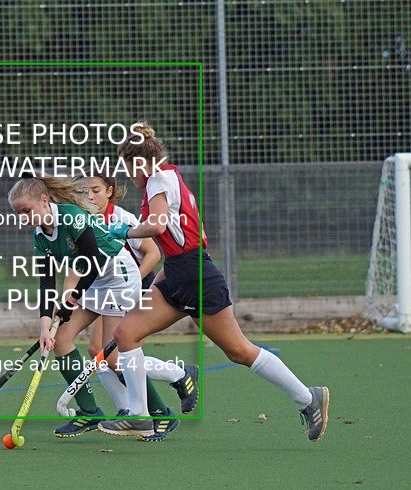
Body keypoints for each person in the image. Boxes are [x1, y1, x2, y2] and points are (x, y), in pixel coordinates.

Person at [96, 122, 329, 442]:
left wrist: (126, 231)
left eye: (127, 167)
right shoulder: (170, 179)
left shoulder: (157, 179)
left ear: (137, 162)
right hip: (179, 274)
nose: (129, 176)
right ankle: (139, 416)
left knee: (239, 351)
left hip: (197, 277)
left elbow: (159, 226)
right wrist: (156, 286)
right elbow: (184, 241)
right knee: (126, 333)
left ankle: (308, 398)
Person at [7, 172, 196, 439]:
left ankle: (160, 412)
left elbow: (94, 260)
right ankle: (89, 412)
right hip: (93, 282)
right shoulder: (40, 235)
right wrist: (44, 326)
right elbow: (46, 282)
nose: (23, 218)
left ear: (44, 199)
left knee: (113, 359)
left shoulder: (71, 216)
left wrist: (71, 302)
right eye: (18, 214)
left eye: (26, 210)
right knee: (60, 340)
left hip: (118, 278)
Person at [80, 173, 195, 438]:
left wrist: (134, 282)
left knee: (112, 355)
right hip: (106, 290)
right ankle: (128, 409)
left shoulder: (123, 219)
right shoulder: (85, 220)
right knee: (97, 351)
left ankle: (175, 377)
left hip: (133, 286)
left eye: (95, 190)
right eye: (84, 192)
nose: (89, 197)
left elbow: (154, 253)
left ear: (110, 191)